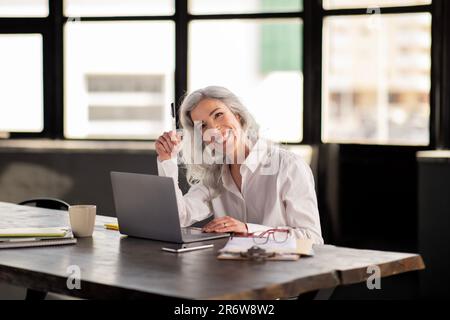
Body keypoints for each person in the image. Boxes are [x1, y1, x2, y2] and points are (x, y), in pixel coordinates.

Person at [155, 86, 323, 244]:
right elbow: (178, 217)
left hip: (283, 271)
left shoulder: (288, 166)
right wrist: (167, 160)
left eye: (218, 115)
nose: (214, 128)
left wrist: (248, 230)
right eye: (203, 126)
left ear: (238, 115)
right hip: (235, 271)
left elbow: (312, 238)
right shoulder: (215, 176)